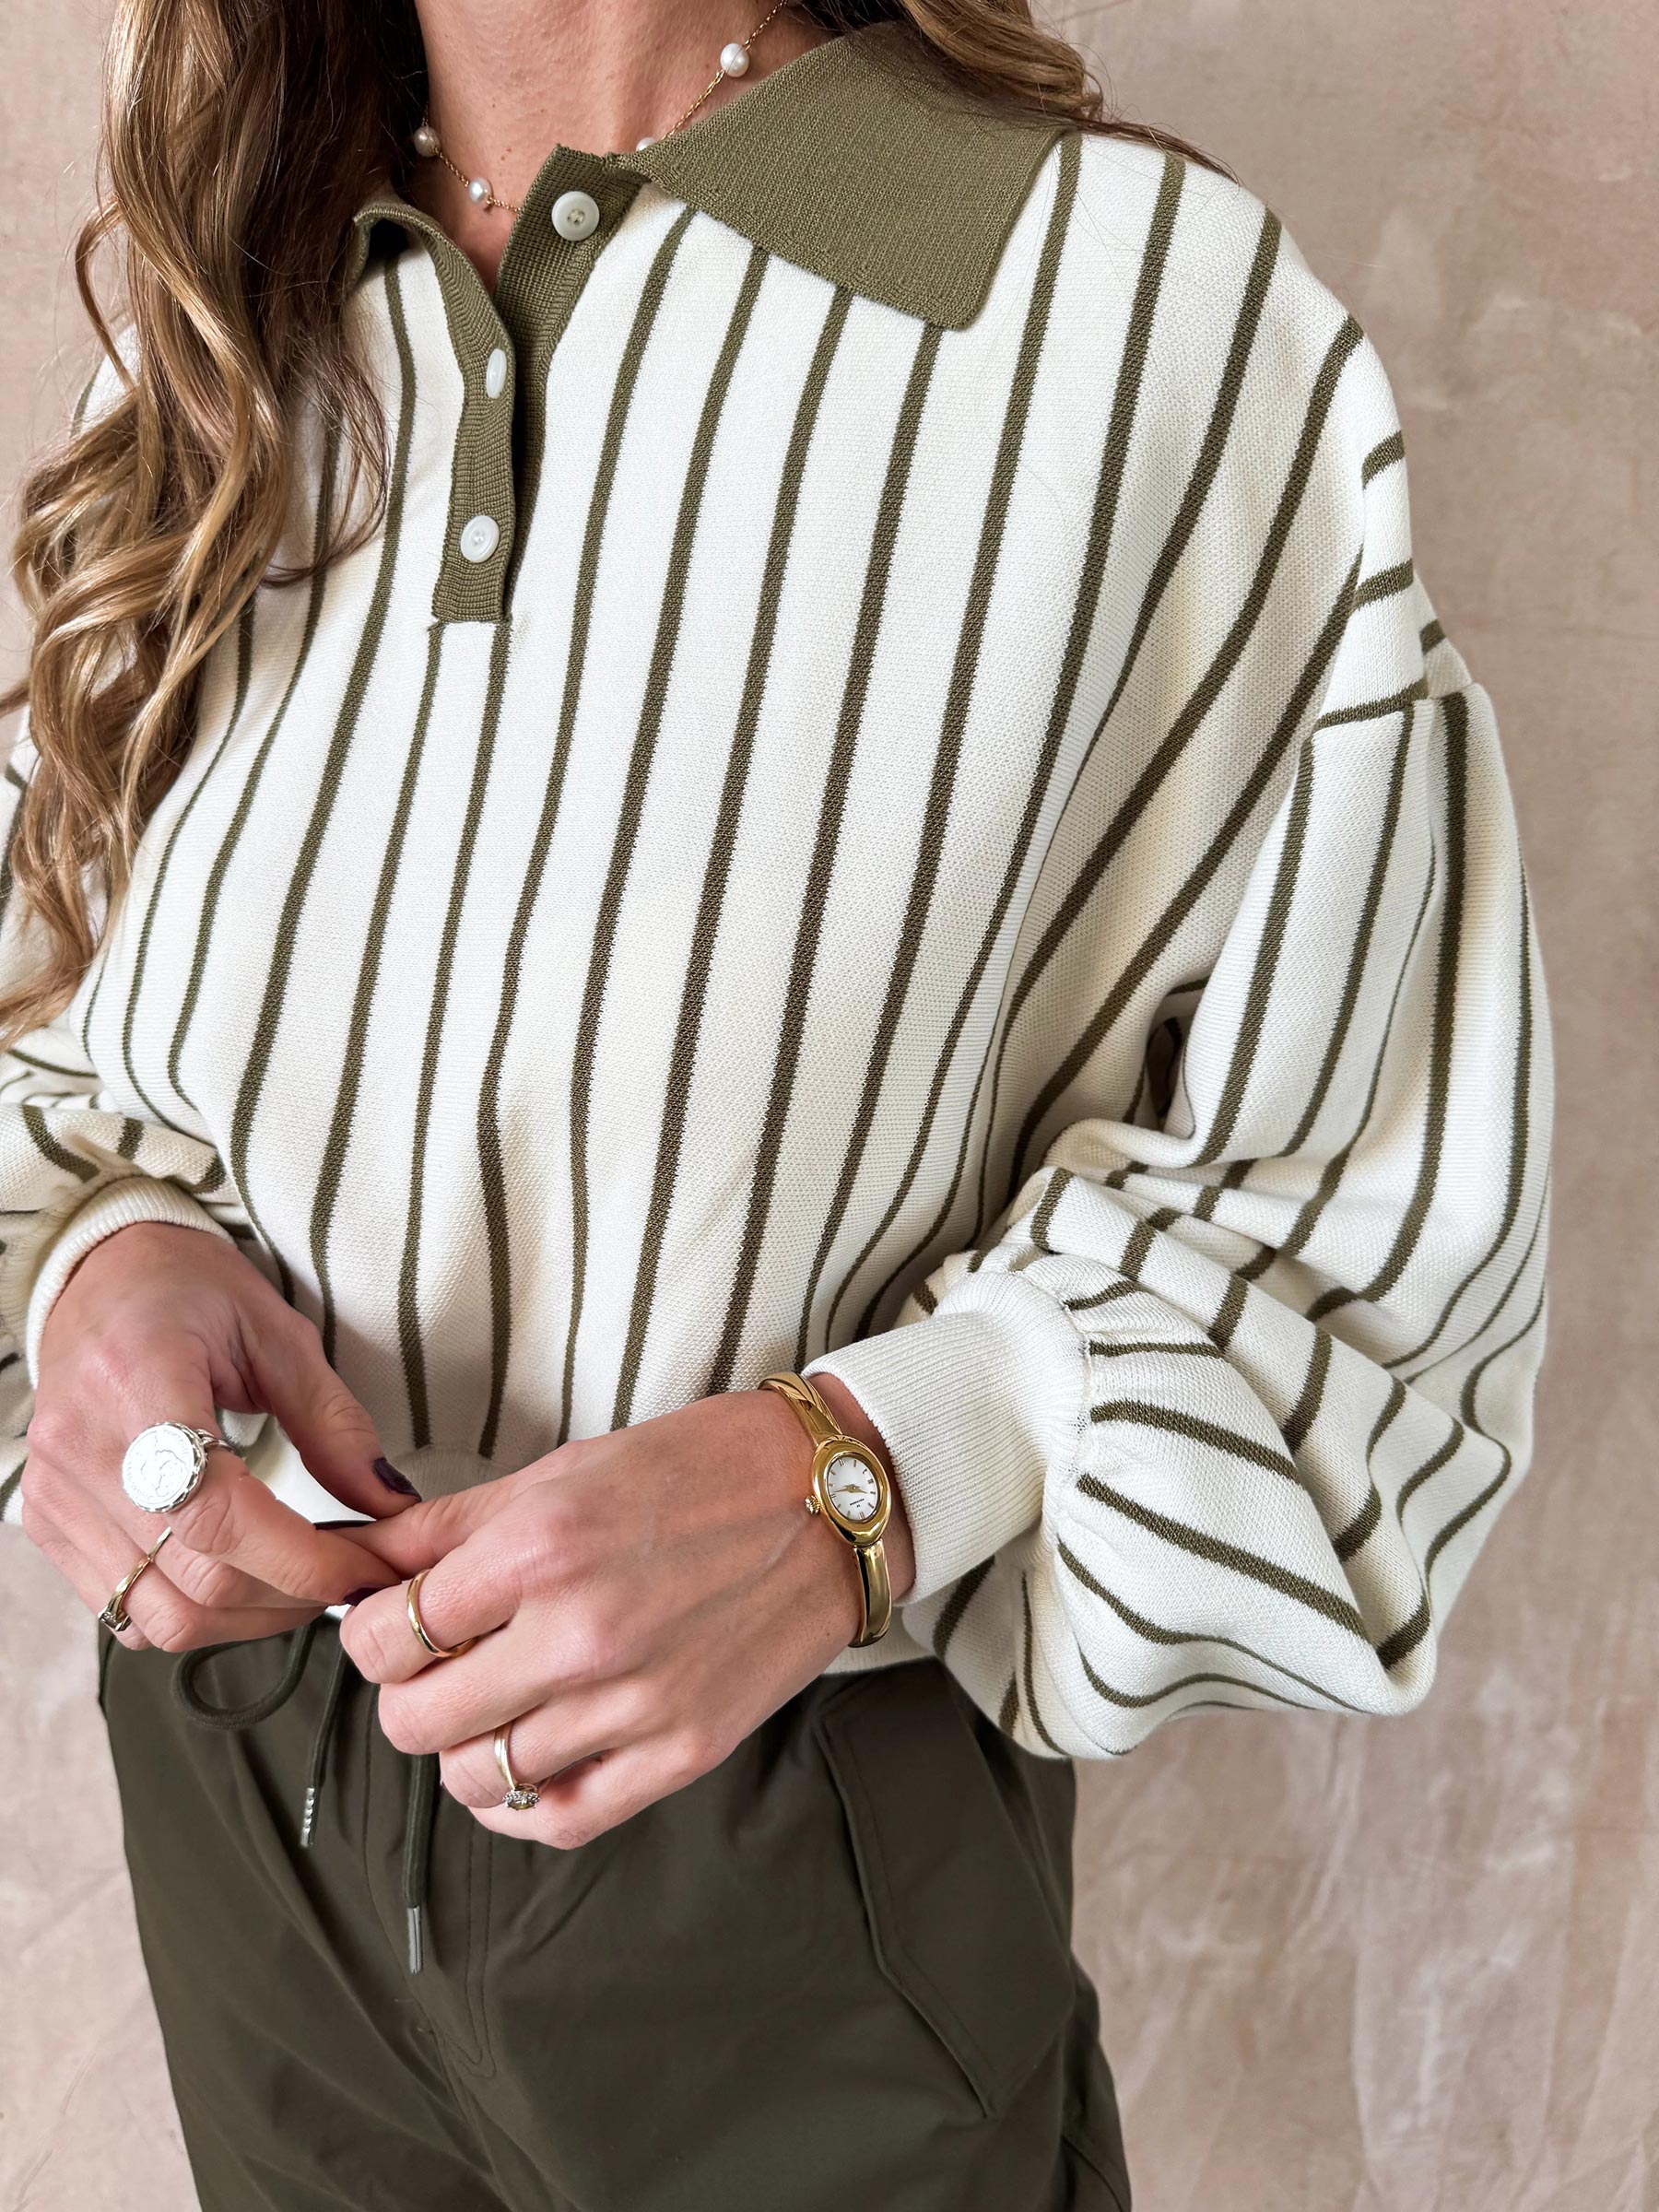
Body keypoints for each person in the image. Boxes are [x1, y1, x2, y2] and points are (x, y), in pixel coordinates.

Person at [0, 1, 1551, 2206]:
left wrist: (866, 1473)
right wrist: (104, 1265)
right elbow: (59, 1015)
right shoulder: (225, 329)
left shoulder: (1135, 318)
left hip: (777, 1834)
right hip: (240, 1779)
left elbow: (1367, 1251)